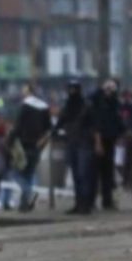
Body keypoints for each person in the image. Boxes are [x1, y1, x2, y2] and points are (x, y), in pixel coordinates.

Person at [53, 80, 100, 214]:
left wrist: (97, 142)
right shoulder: (67, 106)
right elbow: (60, 123)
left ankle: (86, 204)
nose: (72, 92)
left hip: (85, 143)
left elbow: (95, 126)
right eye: (70, 89)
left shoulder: (87, 106)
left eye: (74, 89)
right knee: (75, 176)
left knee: (84, 174)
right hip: (71, 142)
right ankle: (79, 203)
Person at [8, 85, 51, 211]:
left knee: (16, 173)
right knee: (29, 174)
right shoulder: (44, 107)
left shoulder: (25, 107)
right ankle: (25, 205)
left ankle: (29, 193)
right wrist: (43, 141)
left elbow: (18, 126)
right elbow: (48, 127)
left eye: (24, 91)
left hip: (23, 145)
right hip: (37, 145)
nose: (22, 94)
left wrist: (10, 141)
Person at [91, 79, 125, 210]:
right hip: (99, 139)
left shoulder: (114, 103)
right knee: (95, 172)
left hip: (110, 140)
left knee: (108, 172)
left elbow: (117, 120)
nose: (110, 92)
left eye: (112, 89)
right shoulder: (97, 101)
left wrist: (122, 133)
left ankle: (107, 200)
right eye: (107, 89)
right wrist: (97, 142)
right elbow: (96, 124)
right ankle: (92, 200)